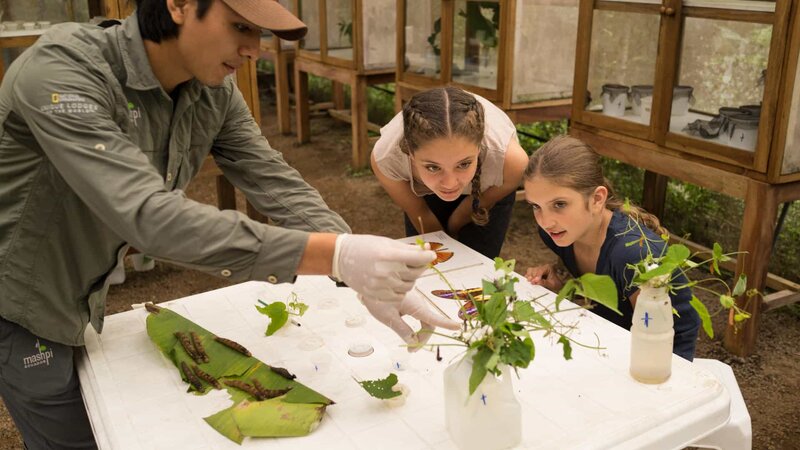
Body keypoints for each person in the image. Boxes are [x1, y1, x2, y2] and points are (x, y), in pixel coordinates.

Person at [0, 0, 457, 447]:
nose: (254, 49)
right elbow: (148, 216)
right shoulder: (64, 73)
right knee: (76, 434)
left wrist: (364, 268)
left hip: (86, 288)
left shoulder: (211, 91)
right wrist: (337, 257)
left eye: (259, 33)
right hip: (22, 300)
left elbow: (274, 181)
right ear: (179, 5)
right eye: (240, 26)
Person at [522, 135, 700, 361]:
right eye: (536, 206)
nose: (546, 221)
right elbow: (614, 299)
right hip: (608, 346)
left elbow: (665, 332)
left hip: (655, 360)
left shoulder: (633, 254)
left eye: (560, 204)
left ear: (597, 199)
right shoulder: (559, 234)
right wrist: (563, 288)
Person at [371, 87, 529, 258]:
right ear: (410, 153)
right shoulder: (387, 158)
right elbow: (420, 213)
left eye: (464, 164)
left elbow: (505, 182)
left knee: (478, 263)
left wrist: (457, 221)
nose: (450, 183)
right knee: (426, 263)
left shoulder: (509, 160)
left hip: (486, 187)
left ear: (479, 148)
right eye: (433, 167)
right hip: (425, 189)